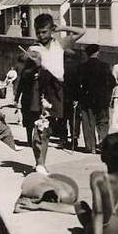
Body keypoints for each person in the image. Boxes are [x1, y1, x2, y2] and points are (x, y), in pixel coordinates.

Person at [29, 13, 85, 150]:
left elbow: (82, 31)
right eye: (38, 33)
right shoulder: (34, 48)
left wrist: (61, 28)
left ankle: (57, 140)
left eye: (44, 32)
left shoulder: (60, 43)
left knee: (56, 121)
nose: (41, 35)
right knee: (42, 124)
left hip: (59, 87)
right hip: (43, 87)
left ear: (51, 30)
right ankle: (40, 153)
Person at [16, 53, 49, 173]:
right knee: (35, 126)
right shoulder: (31, 72)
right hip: (33, 103)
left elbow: (20, 86)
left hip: (32, 102)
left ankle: (31, 142)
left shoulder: (35, 72)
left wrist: (16, 98)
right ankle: (34, 147)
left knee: (32, 125)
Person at [77, 44, 114, 153]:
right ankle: (103, 142)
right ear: (97, 53)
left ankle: (90, 147)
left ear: (87, 54)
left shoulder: (82, 67)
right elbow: (112, 82)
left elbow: (77, 83)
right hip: (102, 99)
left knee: (88, 123)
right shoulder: (105, 66)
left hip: (87, 98)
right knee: (103, 121)